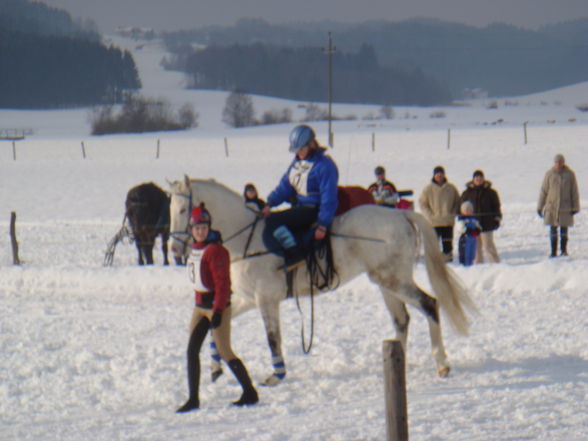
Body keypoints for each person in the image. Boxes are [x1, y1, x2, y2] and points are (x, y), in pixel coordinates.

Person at [176, 204, 258, 413]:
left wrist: (219, 311)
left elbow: (223, 284)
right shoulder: (196, 249)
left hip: (215, 306)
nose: (200, 231)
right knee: (192, 350)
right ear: (191, 230)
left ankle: (250, 392)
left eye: (204, 228)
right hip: (200, 307)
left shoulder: (216, 251)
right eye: (197, 228)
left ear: (209, 228)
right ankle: (193, 398)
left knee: (224, 350)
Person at [262, 124, 339, 271]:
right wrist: (270, 203)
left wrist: (323, 224)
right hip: (299, 207)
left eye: (302, 149)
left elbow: (329, 196)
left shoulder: (324, 165)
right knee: (270, 218)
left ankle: (295, 254)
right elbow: (286, 186)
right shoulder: (297, 162)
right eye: (296, 150)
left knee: (274, 220)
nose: (299, 153)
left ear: (311, 144)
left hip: (313, 210)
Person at [537, 153, 580, 257]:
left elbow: (574, 191)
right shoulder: (549, 174)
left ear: (563, 162)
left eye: (560, 162)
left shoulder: (570, 174)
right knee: (553, 229)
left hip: (565, 207)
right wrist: (540, 206)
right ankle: (553, 251)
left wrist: (575, 207)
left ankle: (564, 250)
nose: (558, 164)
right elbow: (544, 191)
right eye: (556, 162)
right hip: (552, 207)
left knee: (564, 230)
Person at [418, 165, 460, 261]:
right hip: (434, 222)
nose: (439, 176)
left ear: (444, 175)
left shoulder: (451, 188)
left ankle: (448, 260)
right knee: (434, 243)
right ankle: (435, 261)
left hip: (448, 221)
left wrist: (452, 213)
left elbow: (457, 201)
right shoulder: (428, 189)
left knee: (447, 243)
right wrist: (429, 215)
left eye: (441, 174)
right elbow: (422, 203)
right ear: (434, 176)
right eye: (437, 174)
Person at [460, 169, 502, 264]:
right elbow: (462, 207)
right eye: (476, 178)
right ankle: (478, 266)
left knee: (488, 246)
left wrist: (497, 218)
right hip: (473, 225)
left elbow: (496, 206)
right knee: (476, 247)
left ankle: (496, 264)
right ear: (473, 180)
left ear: (483, 179)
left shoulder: (491, 192)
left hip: (487, 224)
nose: (478, 179)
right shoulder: (467, 193)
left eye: (480, 177)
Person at [456, 201, 482, 266]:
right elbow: (460, 228)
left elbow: (478, 226)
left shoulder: (474, 219)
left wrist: (477, 230)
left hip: (473, 238)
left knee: (472, 253)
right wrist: (468, 230)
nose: (468, 212)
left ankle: (471, 264)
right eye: (466, 210)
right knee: (465, 254)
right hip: (465, 238)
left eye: (469, 210)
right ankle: (465, 265)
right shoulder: (461, 219)